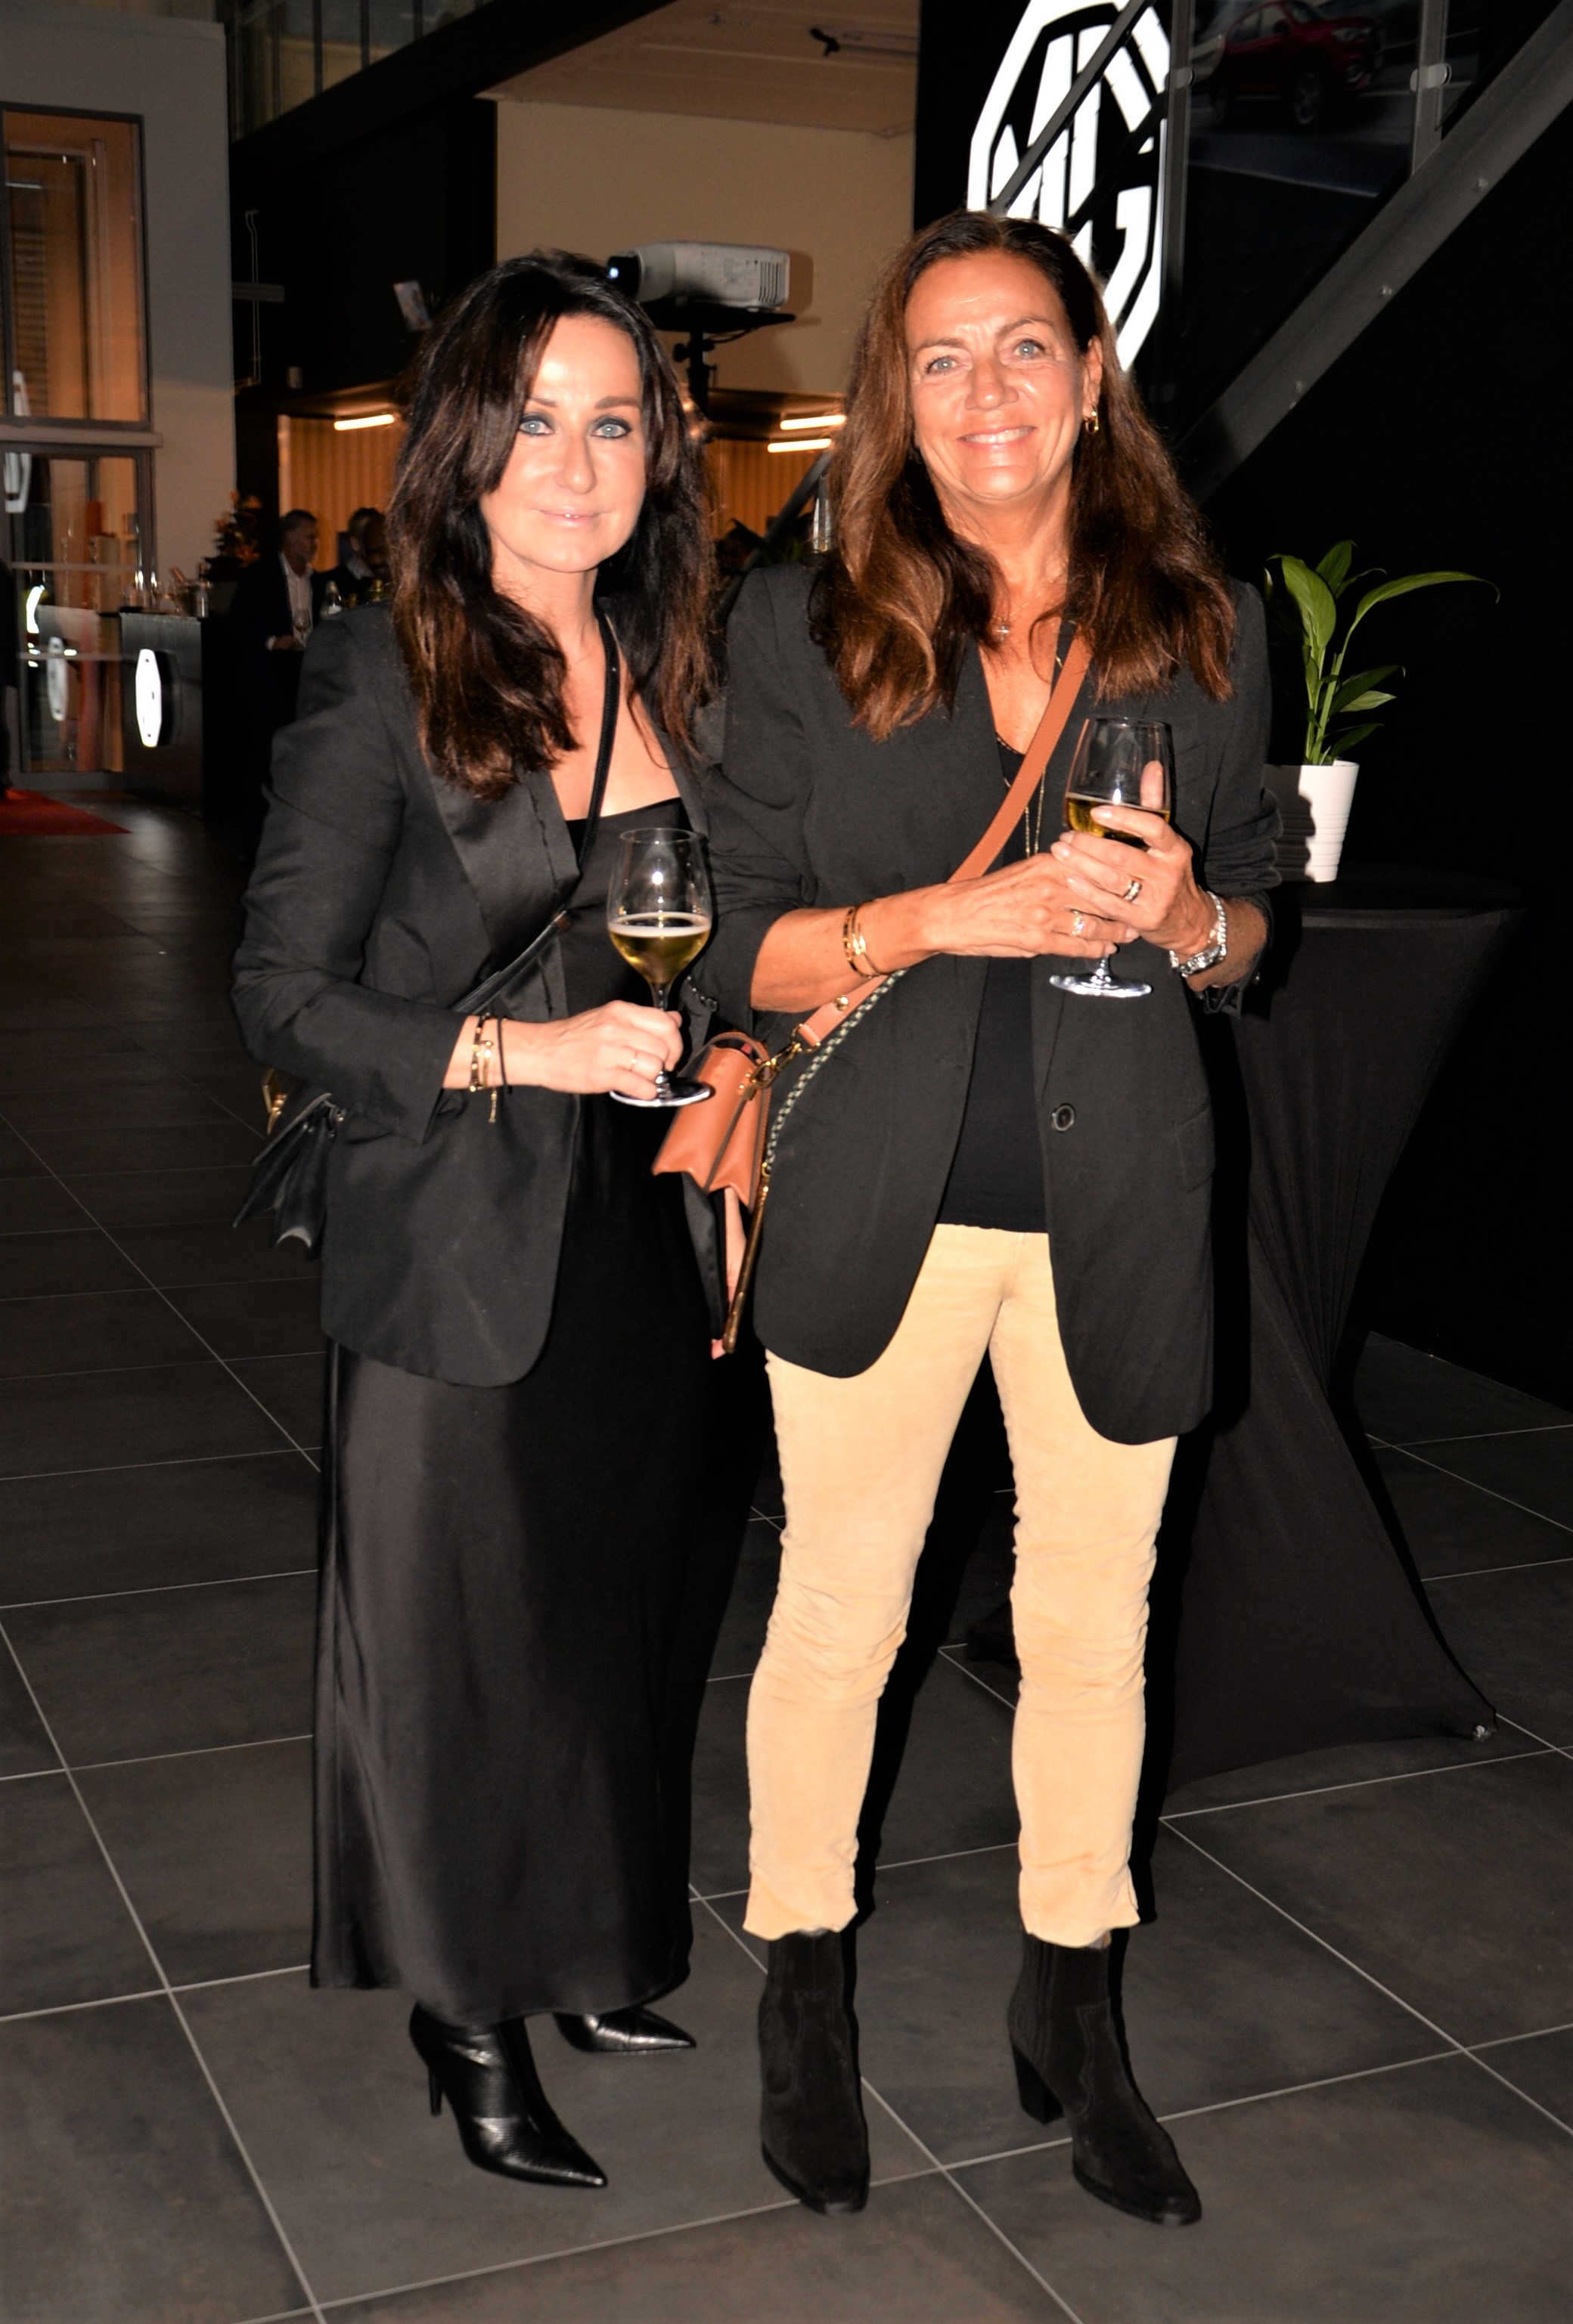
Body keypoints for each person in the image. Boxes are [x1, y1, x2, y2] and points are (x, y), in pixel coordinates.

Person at [696, 209, 1277, 2223]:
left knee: (1092, 1626)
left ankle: (1073, 2000)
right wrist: (942, 918)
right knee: (838, 1617)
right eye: (939, 358)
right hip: (883, 1194)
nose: (985, 393)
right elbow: (732, 945)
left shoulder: (1207, 622)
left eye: (1022, 346)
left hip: (1119, 1199)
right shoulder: (800, 625)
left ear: (1089, 376)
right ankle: (802, 1984)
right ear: (895, 397)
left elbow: (1256, 915)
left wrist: (1191, 914)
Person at [232, 251, 753, 2191]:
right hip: (454, 1231)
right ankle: (467, 2015)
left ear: (657, 459)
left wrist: (731, 1053)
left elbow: (715, 941)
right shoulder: (383, 673)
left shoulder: (681, 668)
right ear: (461, 442)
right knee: (462, 1646)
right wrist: (521, 1056)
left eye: (613, 423)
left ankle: (592, 1945)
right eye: (534, 419)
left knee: (615, 1618)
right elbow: (278, 996)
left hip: (641, 1232)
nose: (575, 462)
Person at [228, 508, 326, 859]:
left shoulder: (319, 582)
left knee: (301, 758)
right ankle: (255, 838)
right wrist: (272, 641)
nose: (315, 544)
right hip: (269, 680)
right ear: (290, 537)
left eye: (315, 537)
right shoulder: (260, 576)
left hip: (305, 677)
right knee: (263, 759)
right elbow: (236, 625)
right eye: (309, 536)